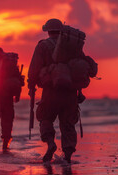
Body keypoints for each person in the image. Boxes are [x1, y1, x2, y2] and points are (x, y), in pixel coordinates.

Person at [28, 18, 89, 163]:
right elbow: (78, 68)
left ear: (47, 31)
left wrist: (31, 87)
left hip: (51, 91)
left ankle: (50, 143)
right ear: (61, 30)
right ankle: (67, 155)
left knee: (45, 118)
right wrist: (79, 92)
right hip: (70, 93)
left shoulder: (43, 46)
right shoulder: (72, 46)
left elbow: (34, 68)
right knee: (68, 124)